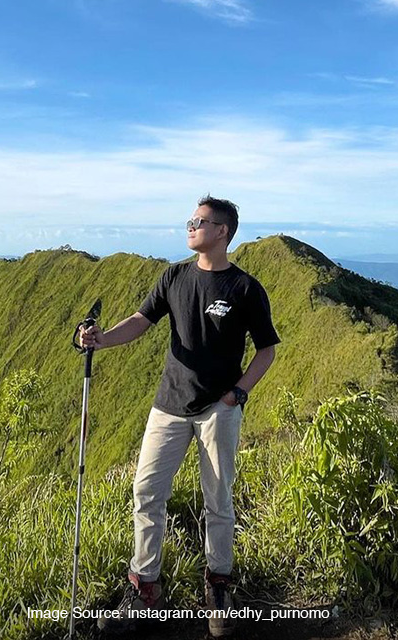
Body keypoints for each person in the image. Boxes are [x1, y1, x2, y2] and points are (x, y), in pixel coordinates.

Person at [77, 194, 280, 637]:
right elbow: (140, 320)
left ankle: (219, 588)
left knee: (218, 500)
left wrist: (238, 394)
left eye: (199, 221)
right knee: (147, 492)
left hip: (217, 409)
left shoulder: (244, 288)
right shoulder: (173, 277)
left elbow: (267, 349)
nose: (190, 226)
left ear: (222, 231)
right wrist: (101, 340)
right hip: (168, 405)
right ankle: (146, 588)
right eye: (190, 219)